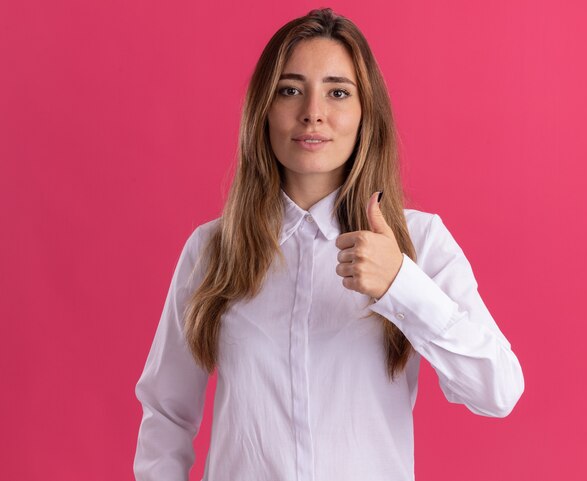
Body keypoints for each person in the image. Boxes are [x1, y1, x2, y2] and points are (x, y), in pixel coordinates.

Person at [133, 7, 524, 481]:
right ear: (264, 109)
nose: (313, 112)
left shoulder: (419, 242)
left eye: (338, 92)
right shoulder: (213, 250)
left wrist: (401, 284)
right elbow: (166, 412)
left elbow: (497, 391)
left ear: (365, 114)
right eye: (290, 90)